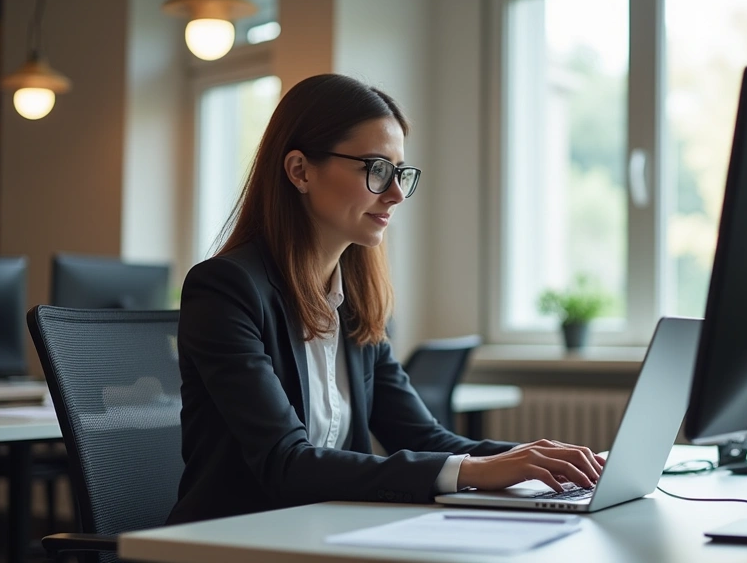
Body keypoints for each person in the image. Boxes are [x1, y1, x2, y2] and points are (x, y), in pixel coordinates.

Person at [167, 74, 605, 525]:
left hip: (324, 534)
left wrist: (535, 458)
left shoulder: (355, 301)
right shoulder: (225, 289)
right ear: (299, 170)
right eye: (376, 170)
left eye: (400, 173)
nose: (396, 194)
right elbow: (285, 462)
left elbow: (421, 437)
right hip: (233, 541)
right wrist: (477, 470)